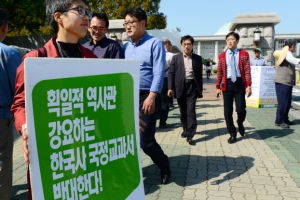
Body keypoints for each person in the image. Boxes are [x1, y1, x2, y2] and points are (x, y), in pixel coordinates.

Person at [10, 1, 96, 199]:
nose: (86, 17)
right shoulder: (35, 60)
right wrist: (25, 127)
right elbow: (20, 104)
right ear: (58, 17)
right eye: (79, 11)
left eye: (87, 11)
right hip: (51, 154)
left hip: (88, 153)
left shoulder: (91, 58)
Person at [122, 7, 171, 184]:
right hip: (127, 97)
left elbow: (158, 72)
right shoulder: (125, 47)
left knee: (145, 141)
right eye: (125, 23)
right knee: (128, 138)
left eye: (131, 22)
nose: (128, 26)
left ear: (143, 23)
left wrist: (152, 96)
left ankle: (165, 165)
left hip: (146, 97)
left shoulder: (154, 44)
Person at [0, 8, 22, 200]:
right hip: (2, 120)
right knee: (2, 167)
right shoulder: (8, 54)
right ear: (4, 28)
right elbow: (19, 90)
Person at [216, 32, 252, 144]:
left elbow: (247, 71)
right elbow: (220, 72)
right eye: (228, 39)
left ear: (237, 41)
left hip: (239, 84)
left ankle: (240, 122)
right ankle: (232, 133)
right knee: (227, 111)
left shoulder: (244, 54)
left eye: (232, 39)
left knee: (240, 109)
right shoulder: (222, 56)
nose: (230, 41)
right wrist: (218, 87)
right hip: (226, 85)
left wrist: (248, 86)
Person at [168, 35, 203, 145]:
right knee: (183, 111)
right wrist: (170, 88)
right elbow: (171, 74)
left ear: (192, 45)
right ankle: (185, 128)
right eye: (184, 44)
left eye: (189, 44)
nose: (187, 46)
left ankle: (190, 133)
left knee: (190, 111)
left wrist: (199, 89)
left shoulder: (197, 58)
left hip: (192, 87)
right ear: (181, 45)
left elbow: (199, 76)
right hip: (180, 87)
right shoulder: (176, 58)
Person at [273, 39, 300, 128]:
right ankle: (279, 120)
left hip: (287, 82)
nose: (295, 47)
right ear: (291, 46)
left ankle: (284, 118)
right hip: (283, 81)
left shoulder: (289, 54)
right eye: (295, 46)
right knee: (283, 102)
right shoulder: (286, 53)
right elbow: (291, 59)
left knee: (287, 102)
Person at [158, 38, 174, 129]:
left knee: (157, 101)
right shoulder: (170, 55)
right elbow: (173, 70)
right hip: (166, 80)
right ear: (167, 45)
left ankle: (157, 116)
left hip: (156, 80)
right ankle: (162, 122)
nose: (171, 47)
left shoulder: (157, 53)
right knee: (165, 102)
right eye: (170, 46)